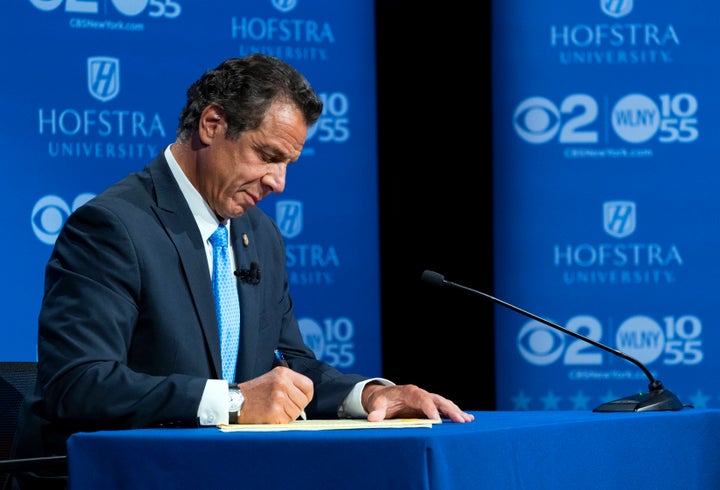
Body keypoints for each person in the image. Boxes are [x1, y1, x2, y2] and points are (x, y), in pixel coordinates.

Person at [9, 53, 474, 489]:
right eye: (269, 156)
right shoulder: (113, 226)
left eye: (288, 164)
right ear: (212, 124)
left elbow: (293, 365)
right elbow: (79, 382)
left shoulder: (259, 234)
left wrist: (369, 395)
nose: (279, 183)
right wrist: (233, 403)